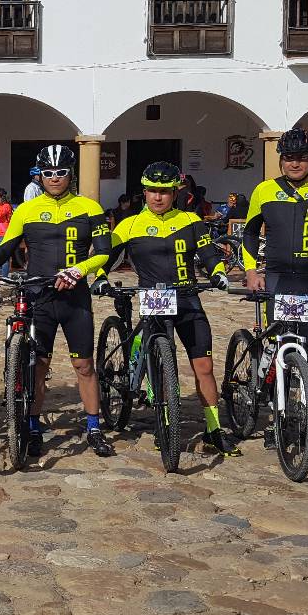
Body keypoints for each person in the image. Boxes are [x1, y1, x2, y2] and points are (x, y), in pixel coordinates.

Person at [0, 144, 114, 458]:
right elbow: (6, 246)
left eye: (61, 172)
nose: (55, 178)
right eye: (48, 173)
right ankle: (33, 427)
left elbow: (104, 251)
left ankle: (94, 428)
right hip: (40, 296)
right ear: (40, 175)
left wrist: (79, 270)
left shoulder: (89, 207)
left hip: (75, 297)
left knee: (84, 365)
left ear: (70, 173)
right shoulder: (27, 209)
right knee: (38, 366)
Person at [107, 161, 238, 455]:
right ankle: (165, 421)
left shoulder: (191, 220)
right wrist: (100, 277)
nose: (158, 197)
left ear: (175, 193)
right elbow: (107, 256)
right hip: (153, 300)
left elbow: (208, 253)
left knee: (204, 367)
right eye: (153, 191)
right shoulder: (129, 224)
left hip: (187, 298)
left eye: (164, 191)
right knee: (161, 364)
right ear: (144, 192)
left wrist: (218, 272)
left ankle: (214, 428)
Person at [241, 128, 308, 458]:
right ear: (281, 159)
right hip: (279, 280)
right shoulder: (264, 190)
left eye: (301, 157)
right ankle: (276, 419)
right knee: (280, 349)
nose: (294, 163)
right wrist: (251, 270)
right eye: (288, 157)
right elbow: (249, 233)